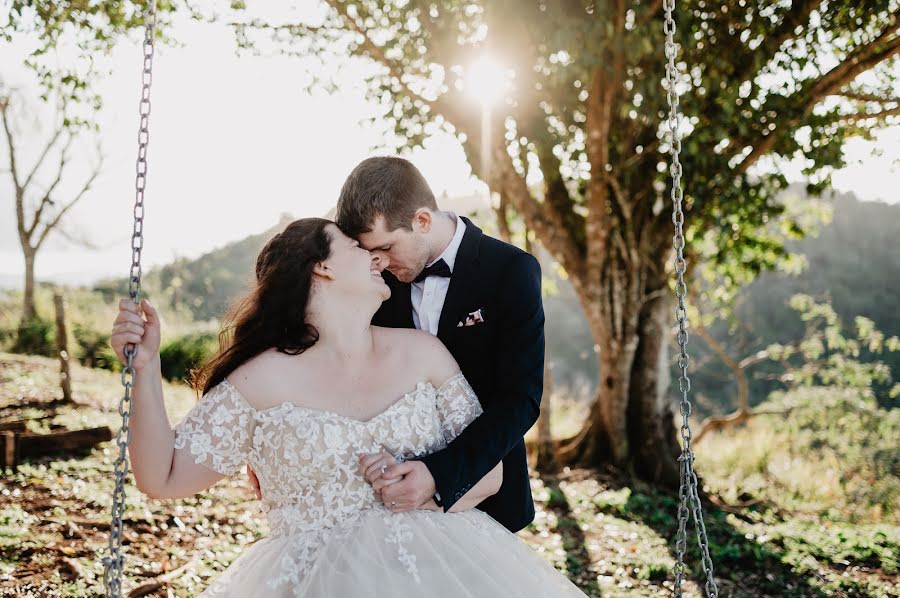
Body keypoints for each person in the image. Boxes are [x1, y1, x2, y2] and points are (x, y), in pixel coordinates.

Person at [110, 217, 585, 596]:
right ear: (323, 268)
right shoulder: (260, 379)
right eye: (358, 249)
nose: (375, 256)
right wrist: (145, 367)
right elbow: (163, 476)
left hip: (446, 569)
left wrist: (430, 482)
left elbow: (491, 474)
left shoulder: (423, 353)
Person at [250, 156, 546, 534]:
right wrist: (271, 431)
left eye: (387, 247)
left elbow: (520, 399)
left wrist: (439, 475)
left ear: (422, 221)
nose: (379, 263)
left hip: (484, 490)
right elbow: (321, 338)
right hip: (378, 502)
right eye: (369, 252)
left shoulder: (510, 270)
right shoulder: (373, 280)